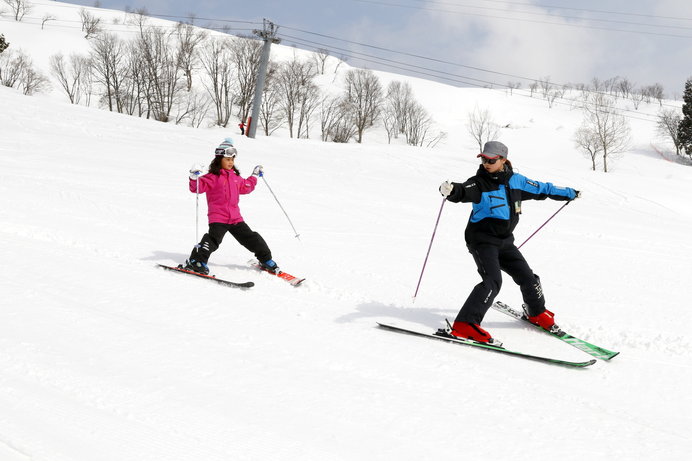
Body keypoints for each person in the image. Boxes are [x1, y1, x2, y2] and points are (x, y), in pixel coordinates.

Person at [438, 141, 580, 345]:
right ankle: (465, 324)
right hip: (482, 241)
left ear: (503, 160)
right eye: (484, 159)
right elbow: (463, 191)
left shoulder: (517, 181)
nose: (486, 163)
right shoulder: (479, 183)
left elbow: (543, 189)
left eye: (491, 160)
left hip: (505, 242)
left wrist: (569, 193)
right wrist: (451, 191)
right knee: (493, 282)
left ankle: (536, 313)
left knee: (529, 278)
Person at [184, 138, 279, 275]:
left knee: (252, 238)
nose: (231, 162)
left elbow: (246, 187)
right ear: (219, 159)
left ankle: (266, 260)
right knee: (212, 240)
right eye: (228, 159)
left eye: (232, 160)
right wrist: (193, 177)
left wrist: (254, 176)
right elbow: (197, 188)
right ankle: (197, 262)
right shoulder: (212, 177)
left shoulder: (235, 177)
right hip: (218, 217)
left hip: (235, 218)